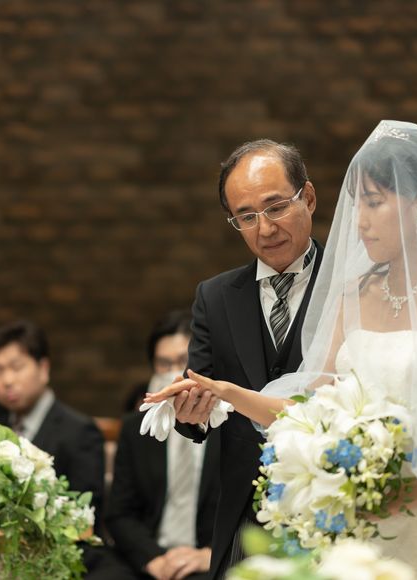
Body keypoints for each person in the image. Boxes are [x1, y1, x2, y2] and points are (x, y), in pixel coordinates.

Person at [147, 121, 417, 579]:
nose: (359, 221)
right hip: (348, 517)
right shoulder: (352, 297)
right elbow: (309, 405)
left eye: (374, 202)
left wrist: (393, 498)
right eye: (357, 203)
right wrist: (227, 392)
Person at [147, 139, 323, 578]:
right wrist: (189, 411)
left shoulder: (351, 285)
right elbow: (200, 397)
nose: (265, 229)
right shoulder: (215, 297)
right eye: (246, 217)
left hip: (330, 500)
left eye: (276, 207)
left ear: (308, 197)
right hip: (247, 515)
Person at [104, 311, 221, 580]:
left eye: (182, 362)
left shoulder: (230, 423)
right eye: (164, 364)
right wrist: (153, 560)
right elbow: (120, 513)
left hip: (209, 559)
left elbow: (250, 510)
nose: (173, 373)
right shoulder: (136, 429)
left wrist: (211, 554)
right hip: (153, 558)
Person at [0, 320, 105, 525]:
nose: (7, 380)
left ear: (43, 368)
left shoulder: (80, 432)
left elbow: (85, 513)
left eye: (17, 367)